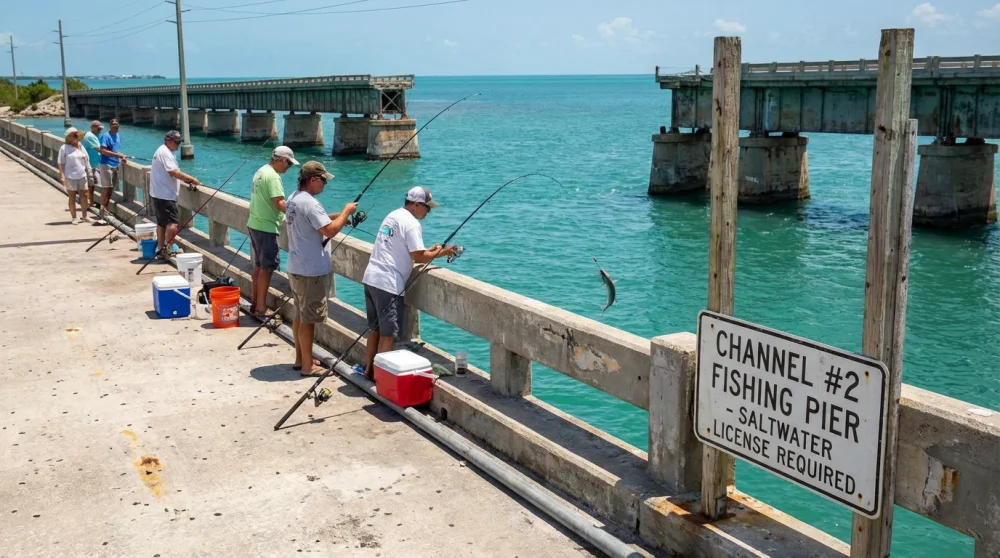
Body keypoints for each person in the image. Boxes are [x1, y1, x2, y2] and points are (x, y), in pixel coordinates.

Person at [360, 187, 457, 379]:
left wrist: (429, 250)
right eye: (427, 207)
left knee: (375, 330)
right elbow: (419, 257)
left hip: (371, 278)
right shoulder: (412, 223)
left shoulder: (393, 215)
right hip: (388, 283)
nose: (428, 211)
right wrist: (445, 251)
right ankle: (382, 380)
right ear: (415, 204)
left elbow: (407, 249)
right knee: (388, 335)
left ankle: (368, 371)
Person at [285, 161, 356, 376]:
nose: (325, 184)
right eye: (323, 180)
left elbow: (316, 222)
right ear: (313, 180)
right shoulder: (311, 203)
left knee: (299, 316)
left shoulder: (294, 198)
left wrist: (339, 218)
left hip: (296, 267)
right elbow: (330, 231)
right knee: (309, 321)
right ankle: (308, 367)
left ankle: (301, 359)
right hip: (310, 272)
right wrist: (346, 211)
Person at [247, 145, 299, 317]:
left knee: (259, 266)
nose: (289, 167)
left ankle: (255, 303)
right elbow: (280, 203)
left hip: (254, 224)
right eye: (289, 164)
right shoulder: (273, 177)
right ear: (282, 160)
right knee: (267, 268)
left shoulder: (261, 171)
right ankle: (261, 308)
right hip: (267, 227)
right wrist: (300, 214)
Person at [150, 130, 202, 258]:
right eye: (176, 142)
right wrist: (192, 179)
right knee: (172, 225)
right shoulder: (165, 153)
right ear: (168, 141)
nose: (178, 145)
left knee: (162, 224)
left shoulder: (162, 150)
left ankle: (160, 249)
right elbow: (173, 172)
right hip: (166, 195)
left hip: (159, 193)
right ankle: (167, 249)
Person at [57, 127, 90, 223]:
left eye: (76, 135)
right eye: (73, 135)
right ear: (69, 137)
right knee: (72, 196)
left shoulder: (81, 145)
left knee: (84, 195)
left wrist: (89, 172)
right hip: (70, 176)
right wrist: (62, 176)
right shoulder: (64, 148)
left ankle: (85, 216)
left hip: (82, 174)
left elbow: (86, 158)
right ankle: (74, 217)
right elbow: (60, 162)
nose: (75, 137)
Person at [97, 118, 126, 224]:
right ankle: (102, 211)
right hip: (106, 165)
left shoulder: (118, 136)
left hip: (115, 165)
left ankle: (105, 209)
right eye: (113, 124)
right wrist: (117, 155)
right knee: (106, 188)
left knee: (111, 189)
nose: (115, 126)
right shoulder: (105, 136)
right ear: (110, 126)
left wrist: (121, 157)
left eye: (117, 124)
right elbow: (102, 150)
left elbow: (116, 150)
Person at [81, 120, 103, 208]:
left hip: (94, 164)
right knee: (90, 185)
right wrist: (114, 155)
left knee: (92, 185)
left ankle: (90, 201)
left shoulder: (95, 135)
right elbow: (98, 149)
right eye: (98, 128)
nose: (100, 130)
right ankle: (87, 203)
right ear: (93, 127)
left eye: (100, 128)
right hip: (90, 164)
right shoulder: (90, 136)